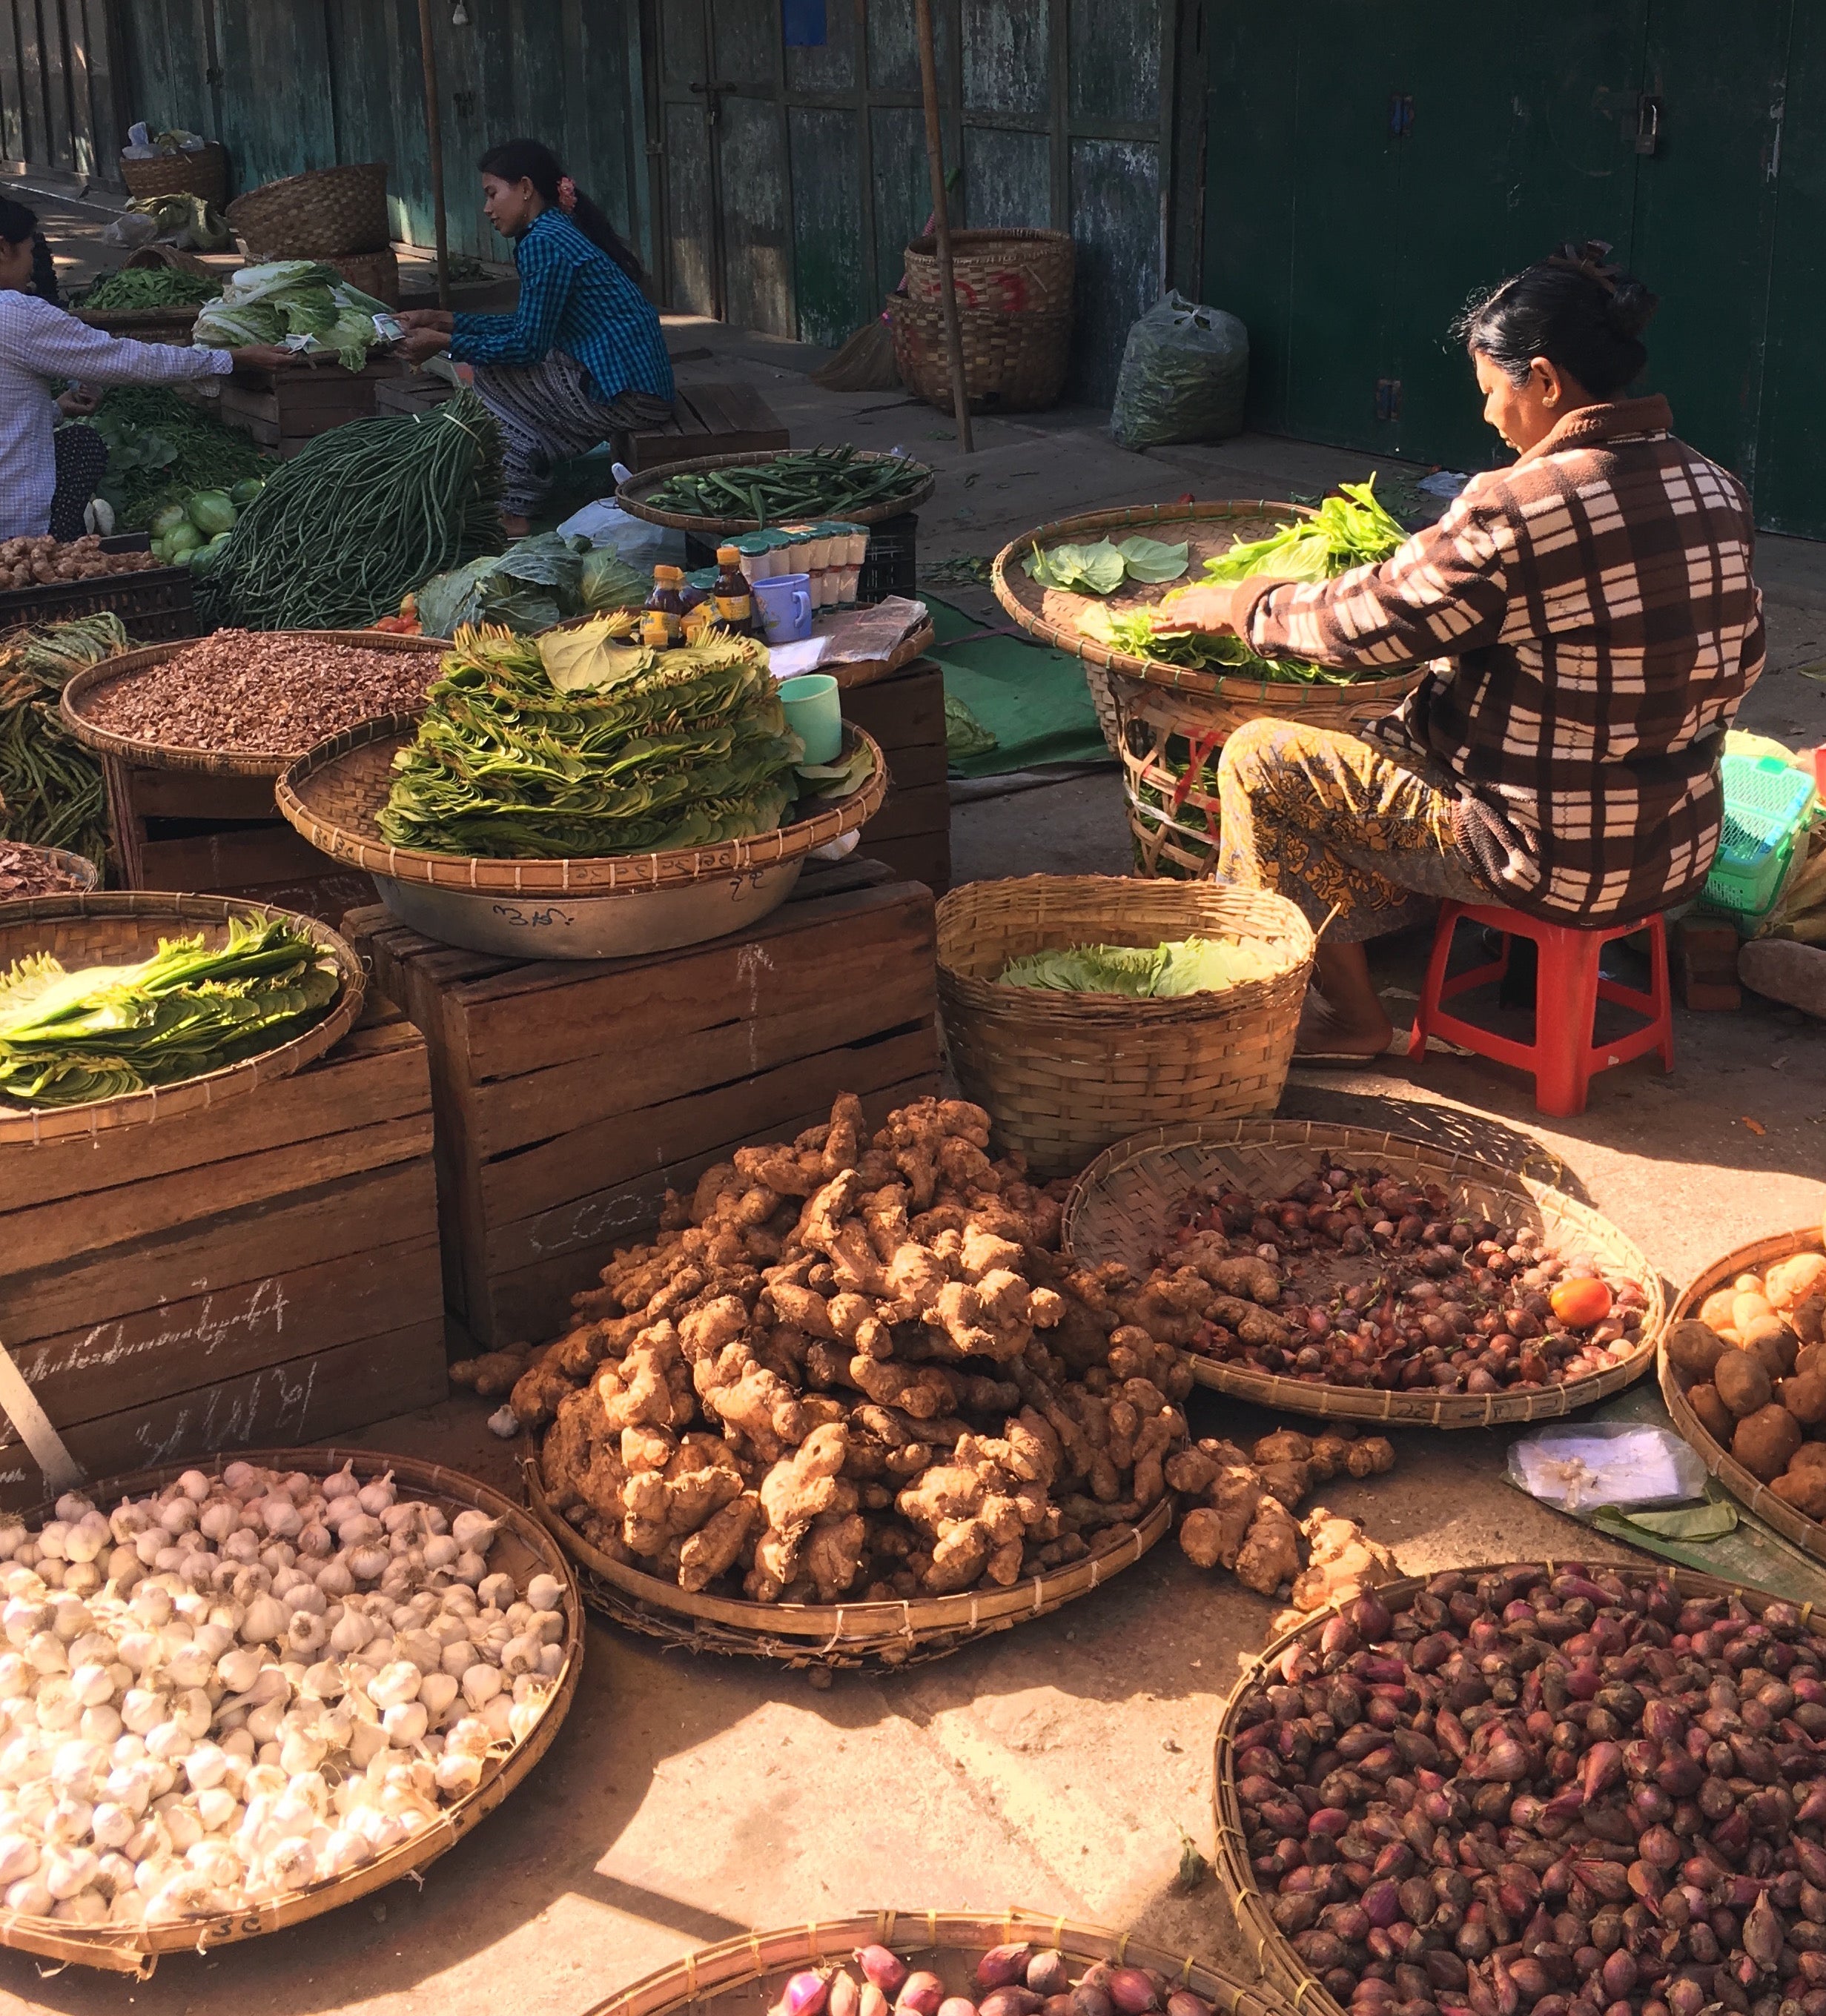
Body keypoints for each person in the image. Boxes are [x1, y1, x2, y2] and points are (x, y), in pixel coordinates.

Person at [1162, 241, 1765, 1058]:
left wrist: (1244, 604)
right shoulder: (1715, 486)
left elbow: (1367, 624)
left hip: (1546, 856)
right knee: (1448, 733)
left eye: (1492, 391)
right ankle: (1477, 955)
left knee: (1263, 759)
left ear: (1545, 380)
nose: (1488, 416)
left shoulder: (1523, 505)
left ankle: (1354, 1021)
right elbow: (1746, 652)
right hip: (1677, 842)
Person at [394, 139, 674, 535]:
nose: (487, 208)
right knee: (497, 374)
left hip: (630, 396)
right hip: (635, 385)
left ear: (525, 189)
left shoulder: (545, 242)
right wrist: (443, 320)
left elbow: (526, 346)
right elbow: (528, 327)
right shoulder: (554, 230)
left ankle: (514, 511)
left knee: (493, 380)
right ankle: (521, 483)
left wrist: (440, 342)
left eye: (492, 194)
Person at [0, 196, 296, 541]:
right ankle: (53, 547)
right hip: (15, 524)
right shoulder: (14, 314)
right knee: (83, 446)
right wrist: (229, 358)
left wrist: (54, 409)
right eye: (29, 251)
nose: (33, 266)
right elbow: (129, 360)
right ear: (3, 248)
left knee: (76, 438)